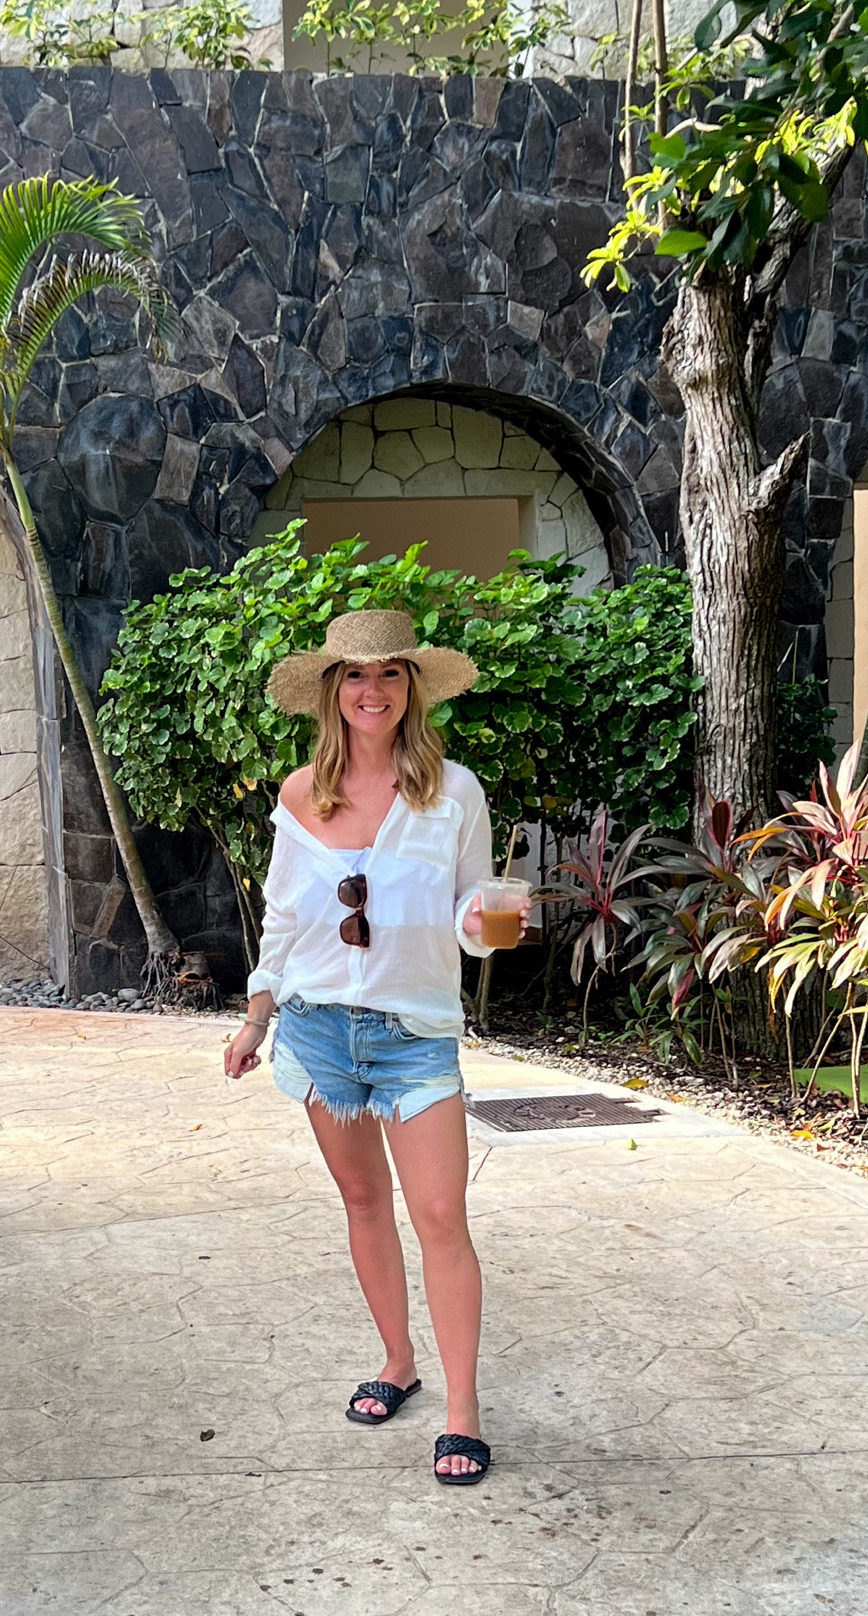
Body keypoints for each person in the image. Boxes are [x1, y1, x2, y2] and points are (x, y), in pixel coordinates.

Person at [223, 608, 527, 1488]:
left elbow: (475, 910)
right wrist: (256, 1016)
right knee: (363, 1201)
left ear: (411, 689)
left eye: (389, 674)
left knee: (441, 1217)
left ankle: (463, 1413)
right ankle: (398, 1361)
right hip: (318, 1027)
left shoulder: (454, 793)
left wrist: (482, 925)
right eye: (355, 676)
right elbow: (283, 919)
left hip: (414, 1034)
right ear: (331, 690)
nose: (371, 690)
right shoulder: (298, 794)